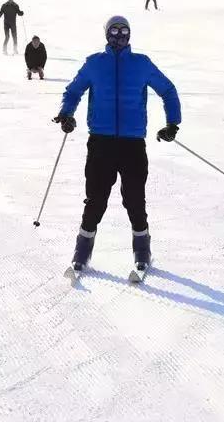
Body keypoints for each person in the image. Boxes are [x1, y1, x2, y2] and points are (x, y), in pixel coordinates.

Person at [54, 15, 181, 273]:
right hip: (100, 143)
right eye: (114, 31)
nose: (119, 36)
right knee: (96, 199)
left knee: (134, 198)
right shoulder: (94, 64)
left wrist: (172, 124)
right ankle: (82, 251)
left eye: (124, 31)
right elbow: (73, 90)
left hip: (132, 144)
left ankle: (142, 251)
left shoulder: (141, 64)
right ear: (106, 34)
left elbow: (167, 90)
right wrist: (66, 113)